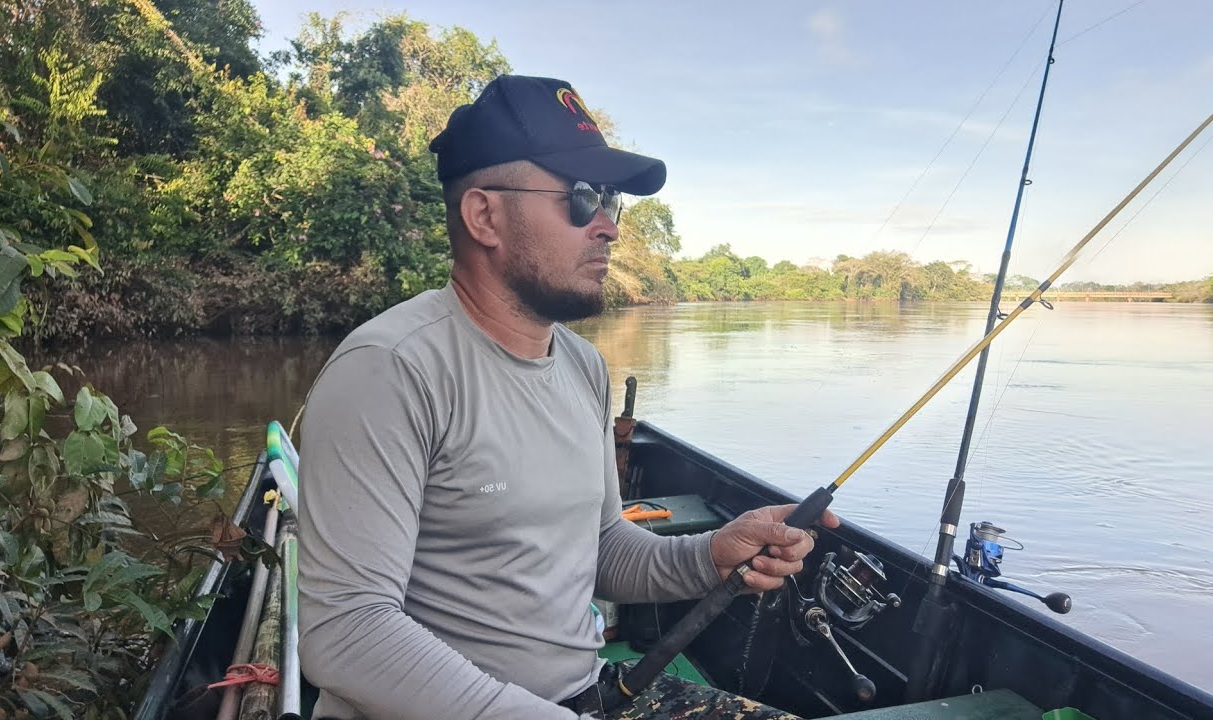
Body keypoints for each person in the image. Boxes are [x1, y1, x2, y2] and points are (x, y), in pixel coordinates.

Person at [295, 74, 841, 720]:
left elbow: (603, 547)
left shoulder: (582, 366)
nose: (608, 227)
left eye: (611, 201)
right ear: (483, 215)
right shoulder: (390, 369)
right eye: (581, 198)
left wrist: (711, 554)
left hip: (584, 698)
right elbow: (348, 633)